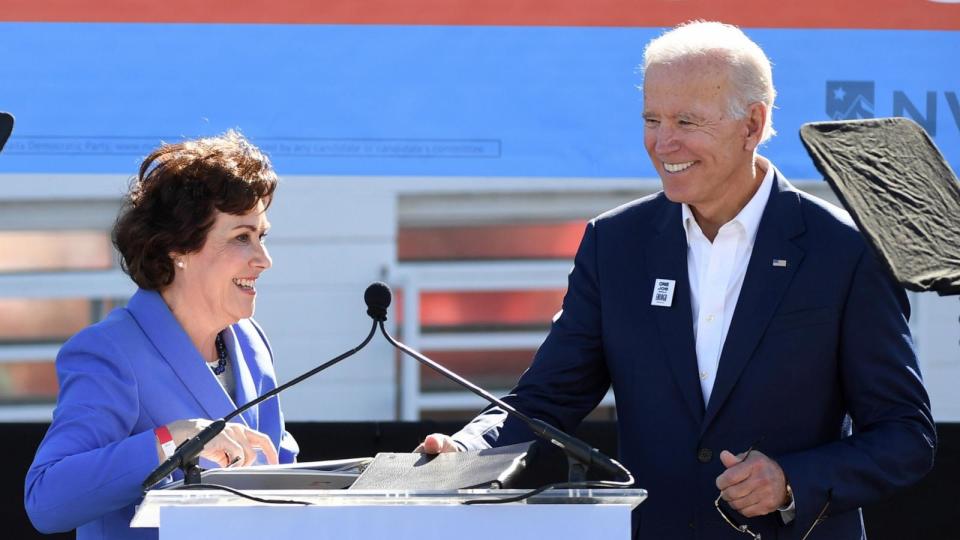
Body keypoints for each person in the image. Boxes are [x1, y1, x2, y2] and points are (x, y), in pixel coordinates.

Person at [419, 21, 936, 539]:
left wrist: (789, 482)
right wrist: (467, 451)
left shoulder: (845, 250)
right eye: (652, 118)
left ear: (752, 125)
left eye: (687, 121)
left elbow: (904, 435)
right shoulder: (614, 243)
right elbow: (546, 400)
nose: (664, 142)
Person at [25, 131, 299, 539]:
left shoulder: (251, 342)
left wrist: (400, 476)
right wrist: (172, 440)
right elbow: (45, 500)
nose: (264, 259)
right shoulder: (110, 351)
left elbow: (283, 472)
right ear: (179, 248)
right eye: (242, 237)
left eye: (262, 236)